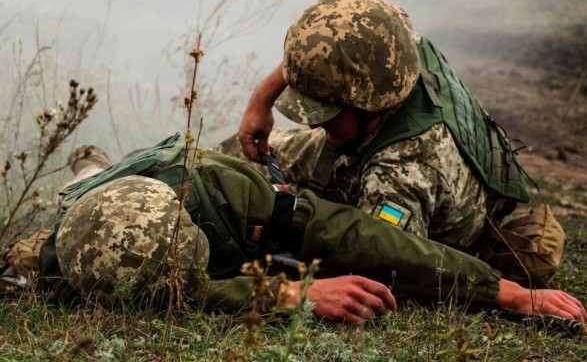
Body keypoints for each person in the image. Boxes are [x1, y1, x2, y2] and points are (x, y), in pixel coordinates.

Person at [22, 133, 587, 325]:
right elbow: (188, 293)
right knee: (85, 180)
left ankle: (94, 158)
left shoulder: (228, 193)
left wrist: (503, 290)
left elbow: (359, 236)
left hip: (186, 179)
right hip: (92, 206)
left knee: (103, 167)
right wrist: (288, 294)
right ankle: (89, 161)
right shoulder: (61, 266)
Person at [222, 0, 563, 289]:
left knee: (256, 204)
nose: (314, 123)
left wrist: (292, 213)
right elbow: (325, 51)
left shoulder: (402, 172)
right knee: (231, 159)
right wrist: (261, 101)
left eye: (326, 111)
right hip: (366, 140)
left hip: (404, 192)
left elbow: (381, 265)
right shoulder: (393, 51)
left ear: (368, 100)